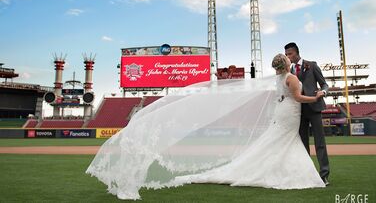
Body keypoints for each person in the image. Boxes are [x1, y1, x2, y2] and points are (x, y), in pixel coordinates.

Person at [86, 54, 325, 200]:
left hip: (284, 113)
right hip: (289, 113)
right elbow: (298, 97)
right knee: (283, 142)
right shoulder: (291, 78)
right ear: (286, 64)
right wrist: (315, 98)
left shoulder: (278, 79)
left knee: (279, 143)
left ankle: (274, 168)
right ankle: (279, 171)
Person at [284, 42, 330, 186]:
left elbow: (324, 84)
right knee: (303, 145)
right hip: (298, 111)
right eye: (286, 55)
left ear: (296, 53)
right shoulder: (288, 71)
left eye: (289, 54)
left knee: (320, 143)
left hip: (315, 108)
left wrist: (324, 92)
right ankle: (307, 174)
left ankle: (324, 175)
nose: (288, 57)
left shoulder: (312, 65)